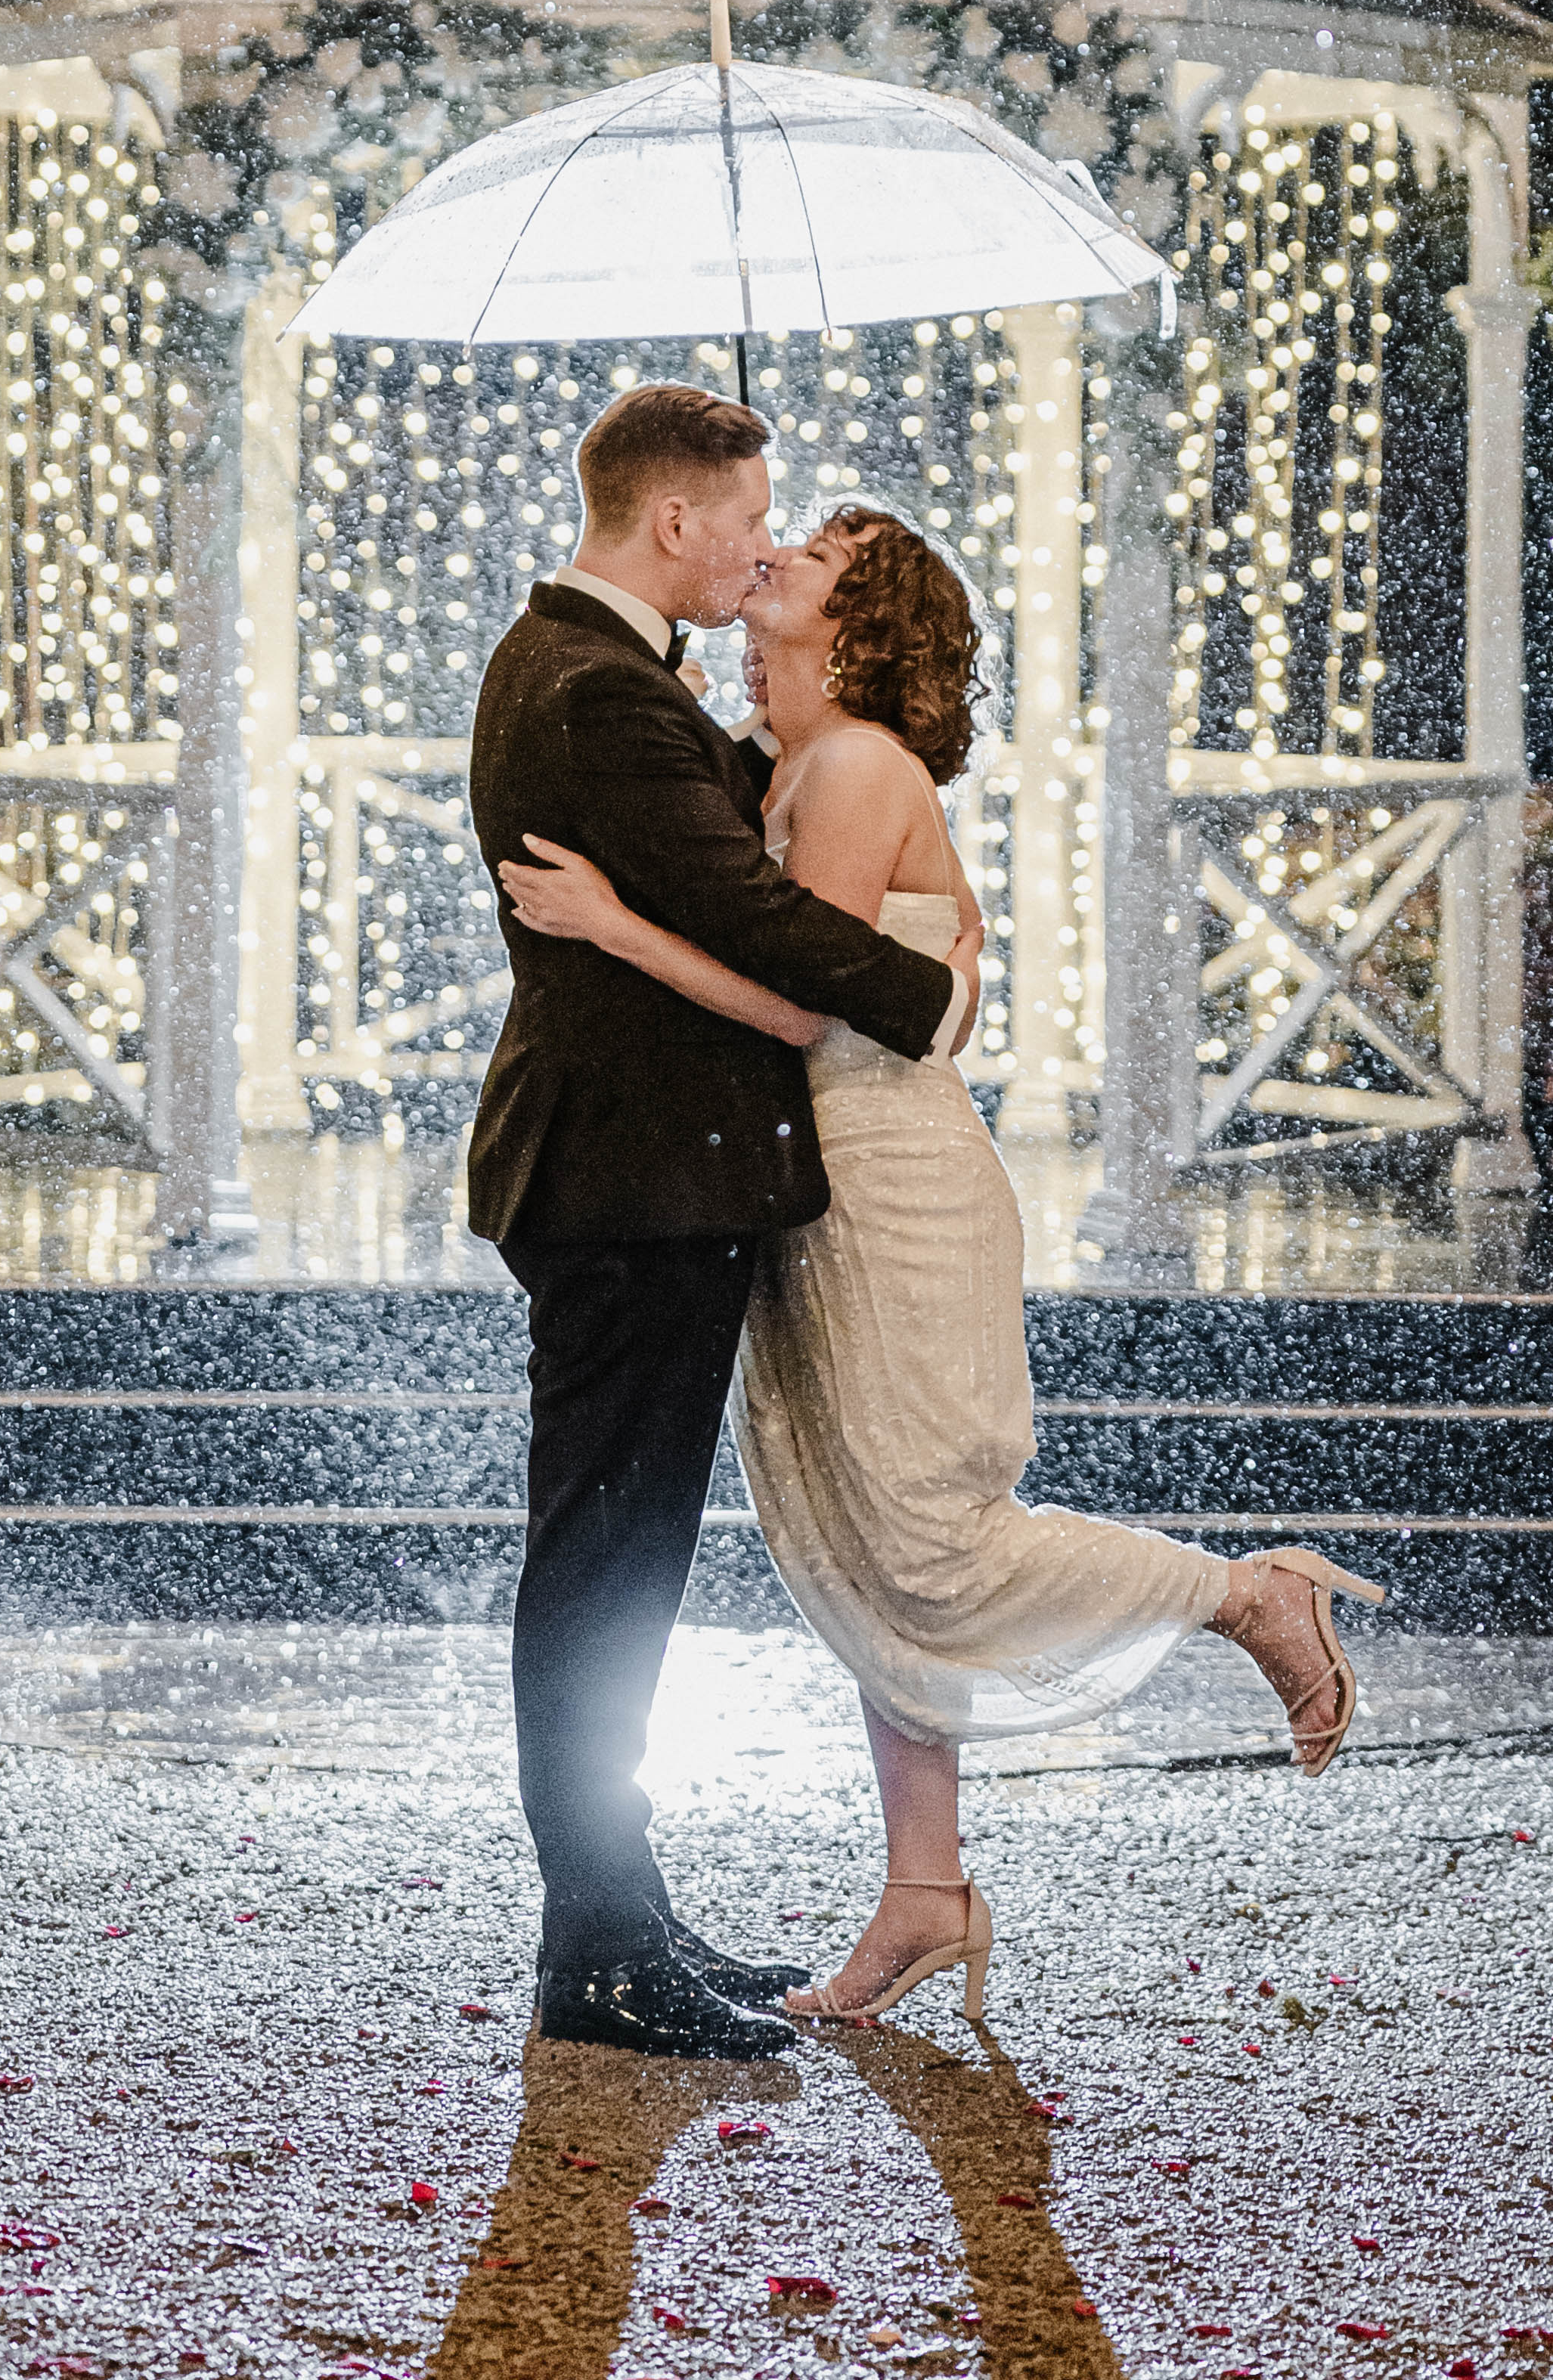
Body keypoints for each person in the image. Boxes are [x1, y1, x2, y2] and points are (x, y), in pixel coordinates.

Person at [499, 498, 1382, 2031]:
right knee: (860, 1537)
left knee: (931, 1538)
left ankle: (1249, 1595)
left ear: (859, 621)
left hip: (888, 1182)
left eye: (814, 554)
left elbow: (801, 1001)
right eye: (776, 533)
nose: (776, 554)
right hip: (807, 1182)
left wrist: (610, 924)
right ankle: (924, 1888)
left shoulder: (852, 766)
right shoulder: (778, 755)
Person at [467, 383, 981, 2059]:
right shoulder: (594, 688)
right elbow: (751, 913)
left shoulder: (602, 671)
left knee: (621, 1562)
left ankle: (621, 1909)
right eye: (748, 516)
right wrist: (930, 989)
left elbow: (709, 861)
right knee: (606, 1570)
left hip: (646, 1180)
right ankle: (597, 1951)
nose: (761, 547)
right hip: (632, 1185)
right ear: (674, 517)